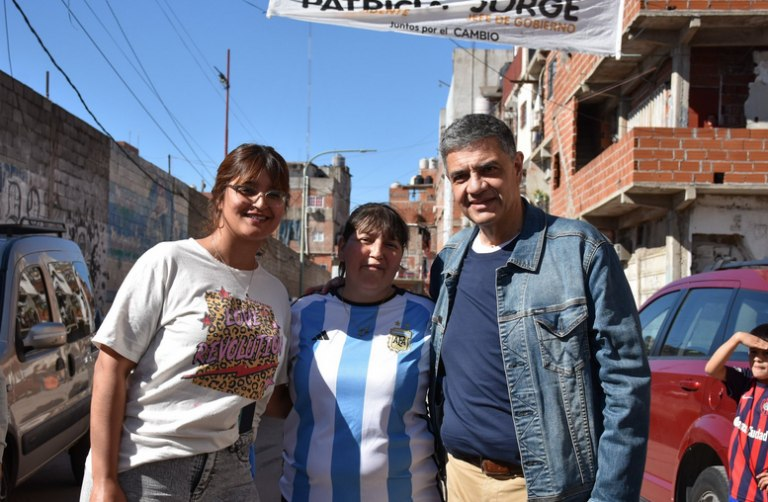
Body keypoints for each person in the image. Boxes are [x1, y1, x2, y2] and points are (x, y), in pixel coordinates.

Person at [428, 113, 651, 501]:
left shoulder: (579, 250)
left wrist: (611, 496)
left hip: (544, 489)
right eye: (461, 177)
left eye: (489, 170)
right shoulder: (447, 262)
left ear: (516, 167)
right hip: (458, 480)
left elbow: (625, 384)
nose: (475, 187)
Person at [80, 144, 292, 502]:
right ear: (219, 196)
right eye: (247, 189)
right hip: (153, 467)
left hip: (233, 469)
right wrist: (103, 480)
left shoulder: (277, 294)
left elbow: (274, 398)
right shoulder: (169, 262)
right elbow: (110, 368)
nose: (261, 202)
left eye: (274, 194)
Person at [280, 203, 440, 502]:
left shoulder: (426, 317)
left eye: (390, 244)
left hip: (408, 494)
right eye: (366, 240)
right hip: (307, 494)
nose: (377, 252)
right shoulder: (303, 313)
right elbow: (276, 400)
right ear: (341, 247)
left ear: (400, 256)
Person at [705, 324, 768, 501]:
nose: (758, 359)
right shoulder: (746, 382)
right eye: (754, 352)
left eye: (766, 354)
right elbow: (711, 368)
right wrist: (737, 338)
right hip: (739, 490)